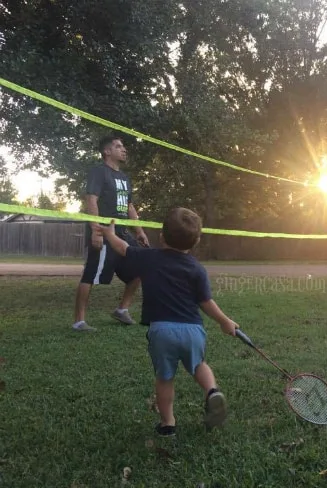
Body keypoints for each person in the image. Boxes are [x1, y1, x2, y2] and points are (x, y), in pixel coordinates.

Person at [100, 207, 239, 435]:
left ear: (162, 236)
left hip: (162, 331)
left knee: (165, 378)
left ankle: (168, 424)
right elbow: (206, 302)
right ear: (195, 242)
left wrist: (109, 233)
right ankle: (212, 392)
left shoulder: (149, 258)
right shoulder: (197, 268)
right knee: (198, 365)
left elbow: (122, 248)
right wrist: (225, 321)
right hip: (193, 330)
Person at [72, 136, 150, 332]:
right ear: (107, 151)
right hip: (105, 231)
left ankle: (122, 310)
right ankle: (79, 321)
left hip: (123, 233)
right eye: (118, 146)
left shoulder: (124, 178)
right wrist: (96, 230)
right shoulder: (99, 172)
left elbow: (129, 205)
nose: (124, 149)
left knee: (141, 267)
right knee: (90, 274)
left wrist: (139, 231)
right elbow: (91, 200)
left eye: (123, 146)